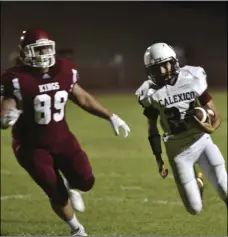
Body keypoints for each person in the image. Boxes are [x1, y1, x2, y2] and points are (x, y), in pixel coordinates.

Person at [1, 27, 130, 236]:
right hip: (31, 147)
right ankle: (77, 230)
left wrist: (110, 116)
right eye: (38, 50)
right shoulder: (15, 78)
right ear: (25, 52)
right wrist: (7, 116)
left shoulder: (64, 69)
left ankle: (71, 185)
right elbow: (6, 108)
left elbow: (82, 97)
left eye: (45, 49)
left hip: (62, 140)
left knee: (86, 182)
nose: (43, 55)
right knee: (56, 192)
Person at [135, 42, 227, 215]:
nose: (162, 72)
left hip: (202, 141)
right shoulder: (150, 92)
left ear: (174, 62)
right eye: (156, 68)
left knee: (225, 189)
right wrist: (158, 158)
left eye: (165, 65)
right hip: (177, 151)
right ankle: (198, 181)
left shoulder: (192, 77)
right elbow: (152, 127)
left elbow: (215, 113)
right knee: (194, 209)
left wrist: (210, 127)